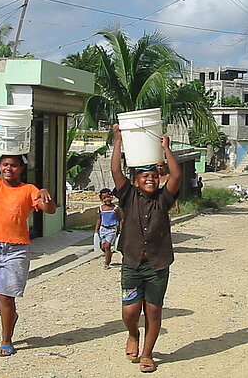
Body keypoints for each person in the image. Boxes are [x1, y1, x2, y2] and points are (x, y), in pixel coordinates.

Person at [0, 111, 57, 357]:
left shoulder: (29, 189)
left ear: (21, 168)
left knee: (6, 297)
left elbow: (49, 210)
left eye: (13, 165)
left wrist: (45, 195)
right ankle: (10, 318)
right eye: (4, 164)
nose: (7, 168)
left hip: (16, 250)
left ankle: (7, 339)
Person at [111, 123, 181, 373]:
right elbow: (115, 170)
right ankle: (132, 334)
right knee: (130, 311)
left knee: (153, 312)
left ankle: (148, 354)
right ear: (136, 181)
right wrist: (118, 139)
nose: (150, 179)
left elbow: (175, 176)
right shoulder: (128, 197)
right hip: (131, 264)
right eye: (144, 176)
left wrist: (166, 149)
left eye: (153, 176)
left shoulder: (164, 199)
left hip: (157, 266)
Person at [95, 188, 122, 269]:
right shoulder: (101, 208)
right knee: (103, 247)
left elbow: (121, 219)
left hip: (112, 230)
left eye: (109, 197)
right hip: (103, 229)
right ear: (101, 199)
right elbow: (99, 219)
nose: (107, 199)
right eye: (104, 198)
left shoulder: (115, 208)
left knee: (107, 246)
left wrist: (121, 230)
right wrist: (96, 229)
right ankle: (109, 254)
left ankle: (107, 263)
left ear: (112, 197)